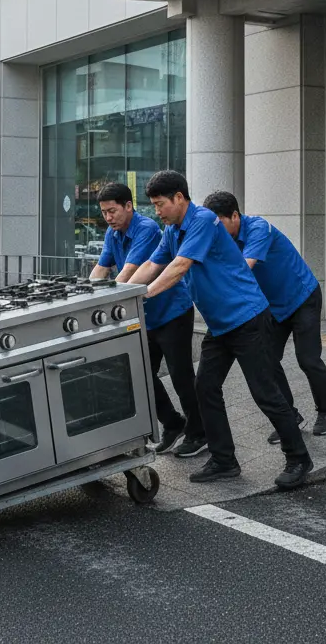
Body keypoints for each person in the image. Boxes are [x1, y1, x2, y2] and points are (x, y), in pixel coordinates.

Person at [130, 170, 312, 490]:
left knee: (265, 393)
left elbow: (179, 266)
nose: (157, 211)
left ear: (179, 198)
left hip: (247, 319)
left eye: (161, 204)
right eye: (154, 206)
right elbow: (152, 265)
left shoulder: (202, 220)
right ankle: (224, 460)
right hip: (220, 325)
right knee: (206, 388)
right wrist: (119, 293)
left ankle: (298, 458)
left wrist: (143, 296)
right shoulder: (172, 231)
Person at [204, 191, 326, 441]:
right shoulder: (221, 237)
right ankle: (290, 416)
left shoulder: (258, 227)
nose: (216, 232)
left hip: (302, 297)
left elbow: (245, 267)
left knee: (307, 359)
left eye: (220, 223)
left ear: (235, 215)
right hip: (272, 308)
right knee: (268, 361)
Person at [89, 182, 206, 458]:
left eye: (112, 211)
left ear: (128, 206)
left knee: (181, 376)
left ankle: (199, 433)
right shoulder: (112, 233)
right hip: (142, 316)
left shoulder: (147, 229)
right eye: (104, 212)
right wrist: (87, 295)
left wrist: (105, 301)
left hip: (172, 313)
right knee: (138, 373)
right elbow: (101, 269)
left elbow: (131, 272)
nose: (108, 217)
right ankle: (173, 423)